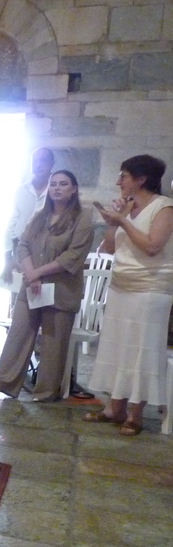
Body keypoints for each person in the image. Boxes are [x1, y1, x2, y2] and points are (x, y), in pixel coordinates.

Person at [0, 171, 94, 401]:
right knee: (18, 332)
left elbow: (73, 255)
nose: (57, 188)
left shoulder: (83, 218)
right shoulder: (40, 216)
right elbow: (23, 245)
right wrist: (31, 273)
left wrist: (38, 272)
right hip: (33, 285)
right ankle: (3, 380)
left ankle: (46, 392)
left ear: (73, 189)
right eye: (53, 184)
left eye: (63, 184)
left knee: (53, 342)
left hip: (61, 288)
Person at [85, 155, 173, 435]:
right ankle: (115, 408)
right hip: (121, 286)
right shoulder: (128, 207)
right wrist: (112, 223)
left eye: (123, 176)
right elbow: (111, 248)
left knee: (141, 350)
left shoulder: (164, 207)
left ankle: (136, 414)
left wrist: (122, 221)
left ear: (141, 179)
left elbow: (152, 247)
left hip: (150, 288)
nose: (118, 181)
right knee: (118, 346)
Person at [2, 147, 54, 284]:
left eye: (43, 161)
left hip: (46, 250)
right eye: (34, 161)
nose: (38, 165)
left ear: (52, 163)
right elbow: (12, 222)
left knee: (43, 290)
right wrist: (8, 257)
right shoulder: (21, 190)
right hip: (20, 248)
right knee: (19, 289)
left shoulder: (56, 190)